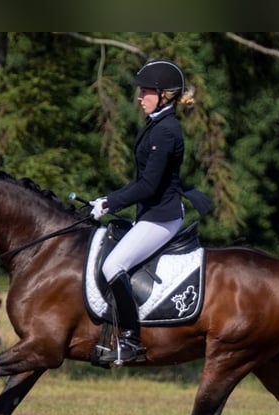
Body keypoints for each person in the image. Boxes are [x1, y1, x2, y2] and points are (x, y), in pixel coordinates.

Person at [89, 59, 195, 365]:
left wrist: (109, 203)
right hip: (149, 213)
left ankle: (131, 340)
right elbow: (141, 182)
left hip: (162, 217)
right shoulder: (155, 124)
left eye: (146, 91)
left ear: (164, 94)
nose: (139, 97)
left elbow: (148, 186)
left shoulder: (166, 131)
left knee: (113, 266)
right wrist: (109, 199)